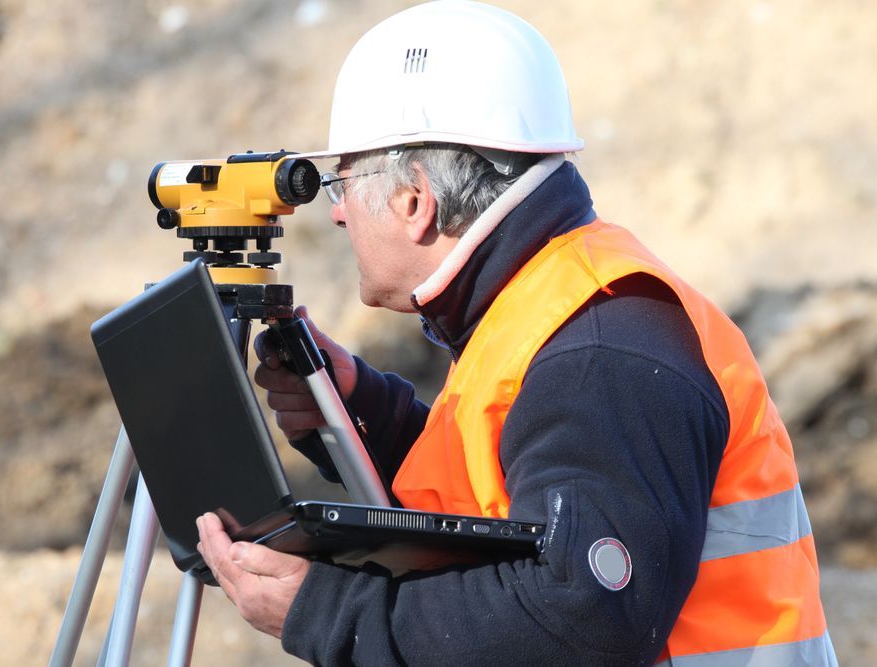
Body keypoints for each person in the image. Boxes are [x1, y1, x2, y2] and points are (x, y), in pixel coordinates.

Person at [196, 2, 838, 665]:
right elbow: (508, 507)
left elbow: (581, 614)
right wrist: (367, 413)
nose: (335, 213)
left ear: (415, 202)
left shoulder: (598, 348)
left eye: (344, 183)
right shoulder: (536, 305)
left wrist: (329, 611)